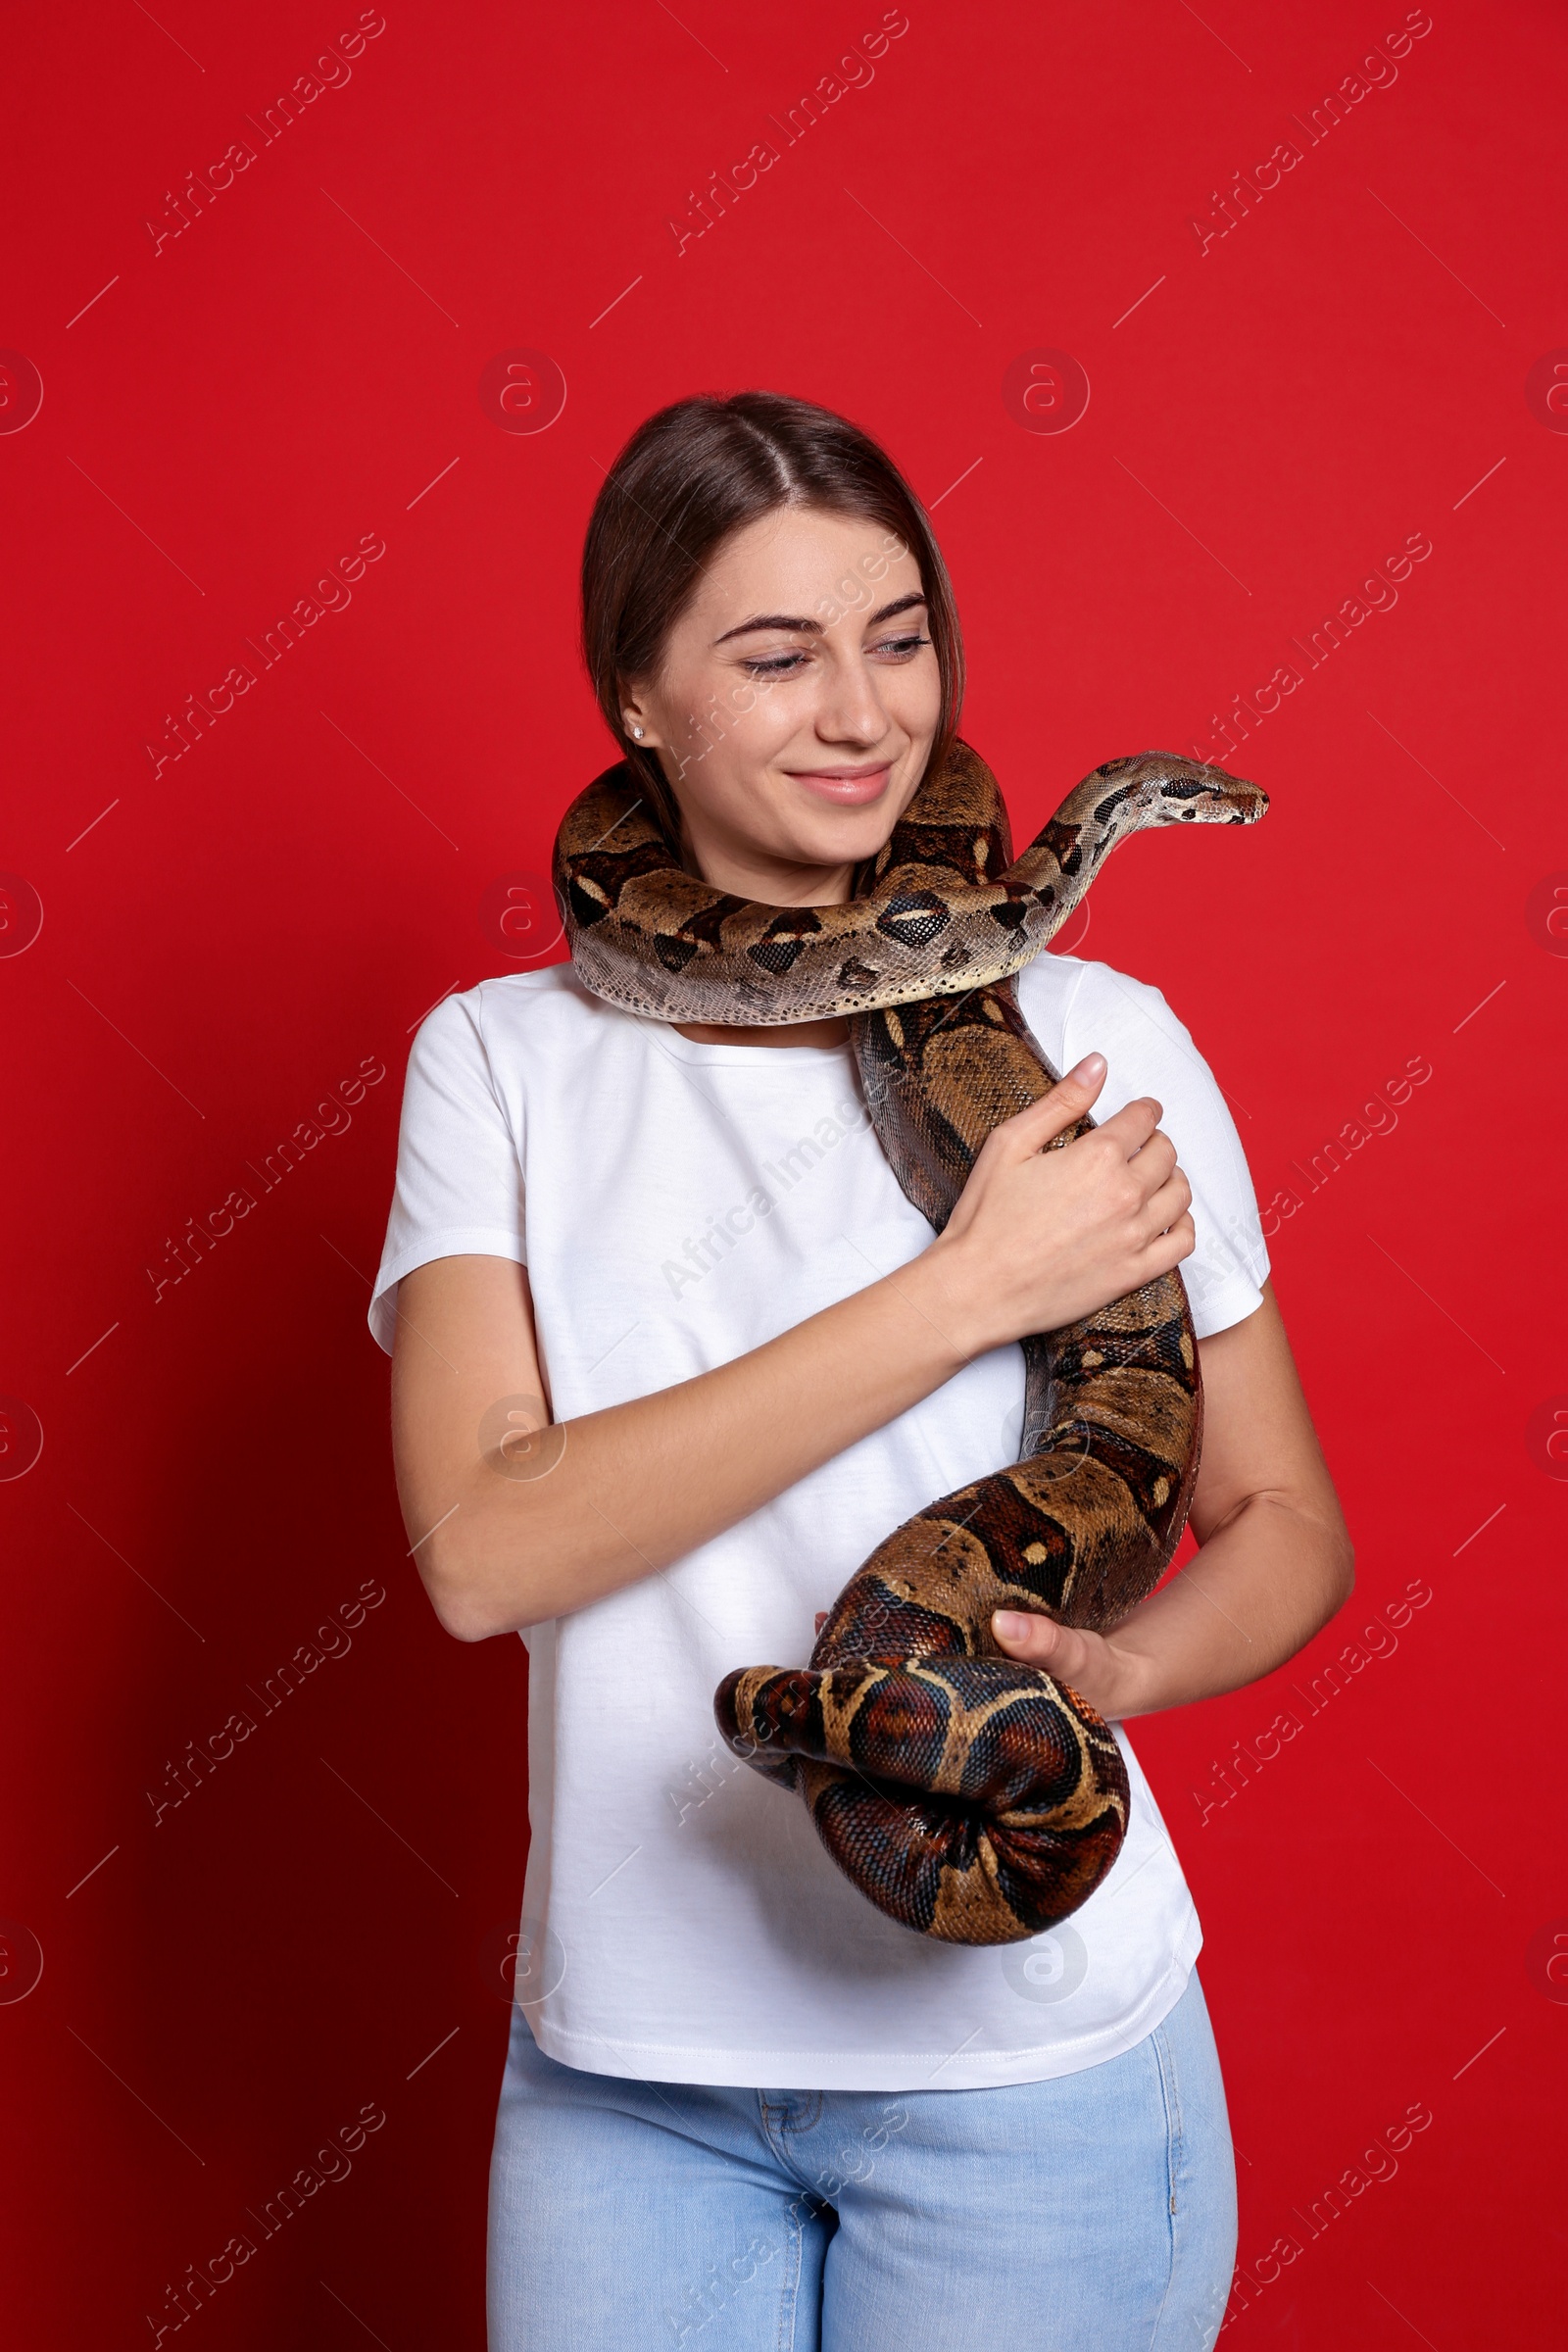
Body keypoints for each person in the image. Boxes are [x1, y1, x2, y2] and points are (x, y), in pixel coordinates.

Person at [368, 391, 1353, 2351]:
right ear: (632, 698)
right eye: (773, 653)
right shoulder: (499, 1063)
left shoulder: (1093, 1039)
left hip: (1033, 2076)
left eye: (897, 638)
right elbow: (484, 1549)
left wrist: (1122, 1670)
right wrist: (969, 1285)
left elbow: (1277, 1518)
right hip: (628, 2075)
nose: (860, 713)